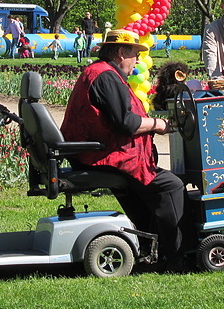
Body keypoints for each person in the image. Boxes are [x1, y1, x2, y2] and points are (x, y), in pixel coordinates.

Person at [60, 29, 186, 266]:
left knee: (143, 188)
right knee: (171, 186)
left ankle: (150, 247)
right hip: (100, 156)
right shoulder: (106, 76)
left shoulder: (97, 72)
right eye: (134, 54)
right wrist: (159, 124)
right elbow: (126, 123)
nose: (137, 60)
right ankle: (174, 256)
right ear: (120, 53)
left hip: (92, 153)